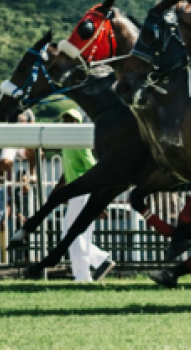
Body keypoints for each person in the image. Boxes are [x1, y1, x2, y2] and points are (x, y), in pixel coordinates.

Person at [57, 108, 115, 282]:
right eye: (66, 120)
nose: (68, 123)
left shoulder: (79, 143)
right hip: (77, 194)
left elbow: (94, 169)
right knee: (69, 234)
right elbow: (68, 171)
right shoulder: (66, 144)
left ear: (78, 123)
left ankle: (83, 276)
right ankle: (100, 260)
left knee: (77, 235)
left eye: (71, 120)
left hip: (83, 192)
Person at [0, 109, 38, 183]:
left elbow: (33, 130)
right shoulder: (0, 108)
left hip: (24, 143)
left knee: (35, 150)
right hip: (8, 143)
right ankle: (1, 174)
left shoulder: (28, 111)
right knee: (5, 164)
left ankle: (32, 173)